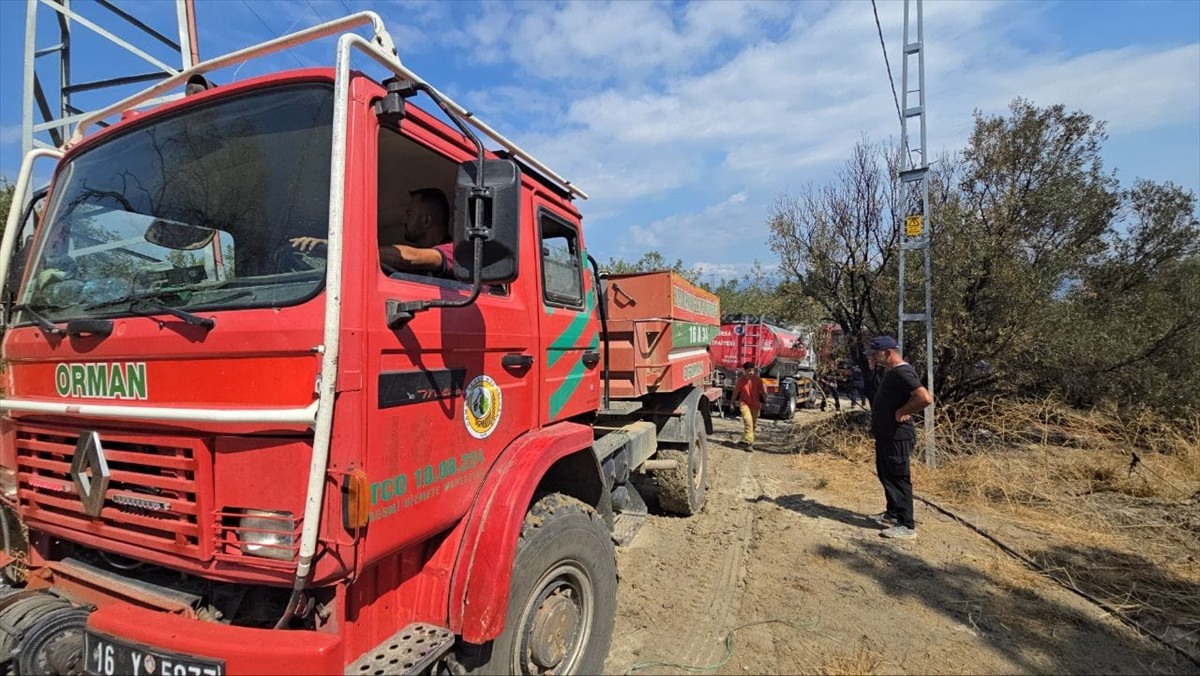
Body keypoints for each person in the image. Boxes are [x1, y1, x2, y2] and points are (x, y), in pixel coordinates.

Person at [290, 187, 454, 275]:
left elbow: (409, 257)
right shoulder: (416, 268)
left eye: (409, 214)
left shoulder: (454, 252)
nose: (404, 221)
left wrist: (337, 248)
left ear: (426, 221)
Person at [867, 335, 933, 540]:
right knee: (886, 474)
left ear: (888, 353)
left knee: (898, 478)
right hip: (887, 434)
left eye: (876, 355)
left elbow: (924, 398)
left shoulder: (903, 372)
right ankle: (893, 513)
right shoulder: (891, 372)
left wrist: (901, 411)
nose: (874, 359)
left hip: (898, 436)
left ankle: (907, 524)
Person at [731, 361, 766, 452]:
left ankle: (750, 441)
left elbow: (763, 392)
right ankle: (749, 443)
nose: (751, 372)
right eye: (749, 370)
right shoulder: (740, 380)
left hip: (755, 405)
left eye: (752, 370)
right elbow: (735, 392)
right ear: (744, 370)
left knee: (753, 424)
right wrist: (732, 403)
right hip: (744, 404)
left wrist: (766, 401)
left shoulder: (758, 380)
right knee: (748, 421)